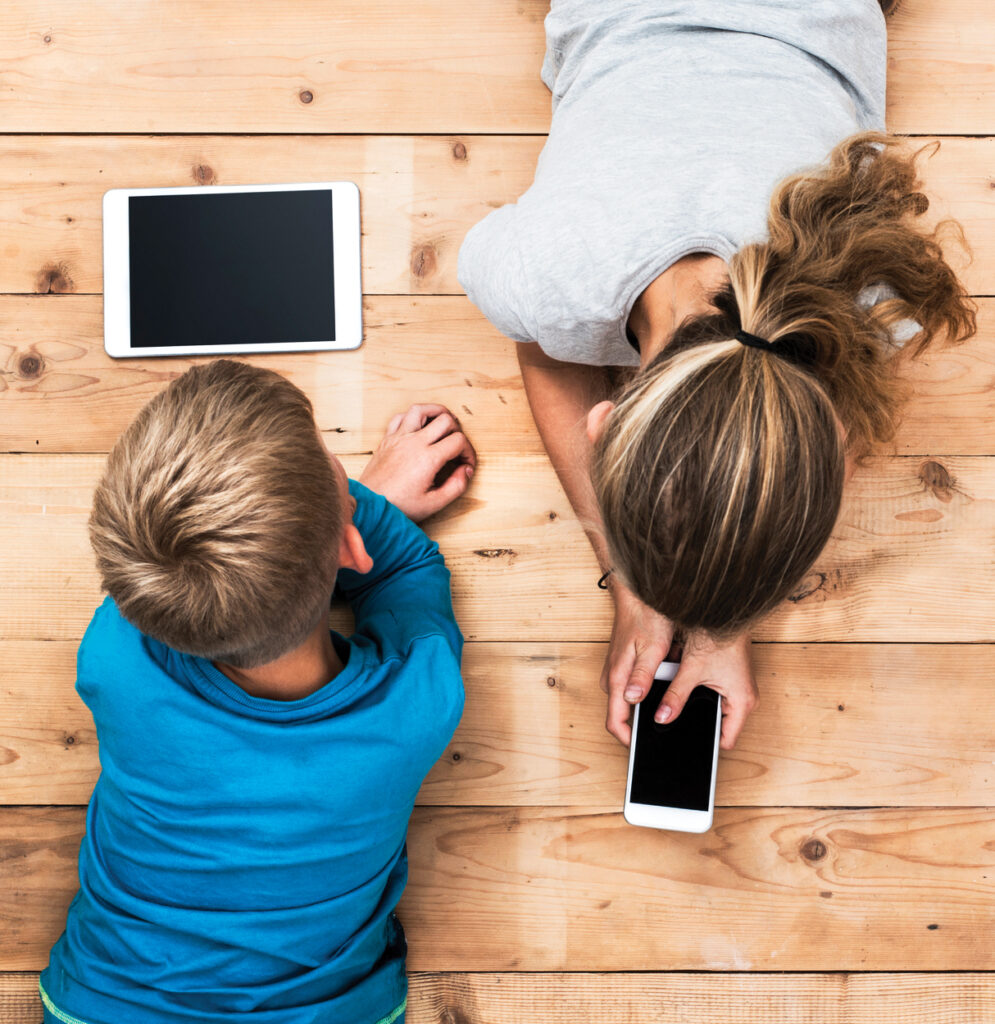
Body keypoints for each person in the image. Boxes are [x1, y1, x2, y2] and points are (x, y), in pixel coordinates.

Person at [458, 0, 974, 749]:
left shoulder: (870, 299)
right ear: (600, 425)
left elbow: (545, 344)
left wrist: (705, 610)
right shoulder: (546, 275)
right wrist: (653, 592)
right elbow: (543, 340)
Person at [40, 360, 476, 1024]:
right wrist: (351, 509)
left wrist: (330, 516)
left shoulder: (116, 655)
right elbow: (407, 565)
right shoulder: (419, 700)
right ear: (350, 552)